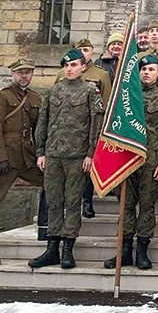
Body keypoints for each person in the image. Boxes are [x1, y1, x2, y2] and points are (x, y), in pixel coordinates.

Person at [29, 49, 104, 269]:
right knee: (54, 202)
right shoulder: (54, 91)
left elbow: (95, 126)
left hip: (77, 157)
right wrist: (41, 151)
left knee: (72, 203)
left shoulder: (91, 91)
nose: (70, 69)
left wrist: (91, 154)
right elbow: (43, 121)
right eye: (67, 65)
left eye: (74, 65)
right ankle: (52, 247)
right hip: (53, 155)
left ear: (83, 67)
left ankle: (67, 250)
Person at [103, 55, 158, 270]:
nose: (146, 73)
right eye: (143, 69)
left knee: (146, 205)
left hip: (151, 160)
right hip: (127, 158)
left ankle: (142, 251)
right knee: (125, 205)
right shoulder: (126, 97)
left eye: (151, 69)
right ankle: (124, 251)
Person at [0, 58, 44, 265]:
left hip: (26, 156)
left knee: (51, 181)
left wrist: (42, 153)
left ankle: (45, 229)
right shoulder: (1, 96)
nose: (24, 76)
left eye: (28, 72)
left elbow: (38, 129)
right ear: (13, 74)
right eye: (20, 72)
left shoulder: (34, 98)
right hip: (2, 157)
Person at [55, 38, 111, 219]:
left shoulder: (101, 74)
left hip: (90, 127)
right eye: (80, 49)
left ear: (91, 53)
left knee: (87, 170)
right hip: (64, 133)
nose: (84, 52)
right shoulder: (62, 74)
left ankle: (87, 201)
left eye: (87, 50)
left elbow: (106, 101)